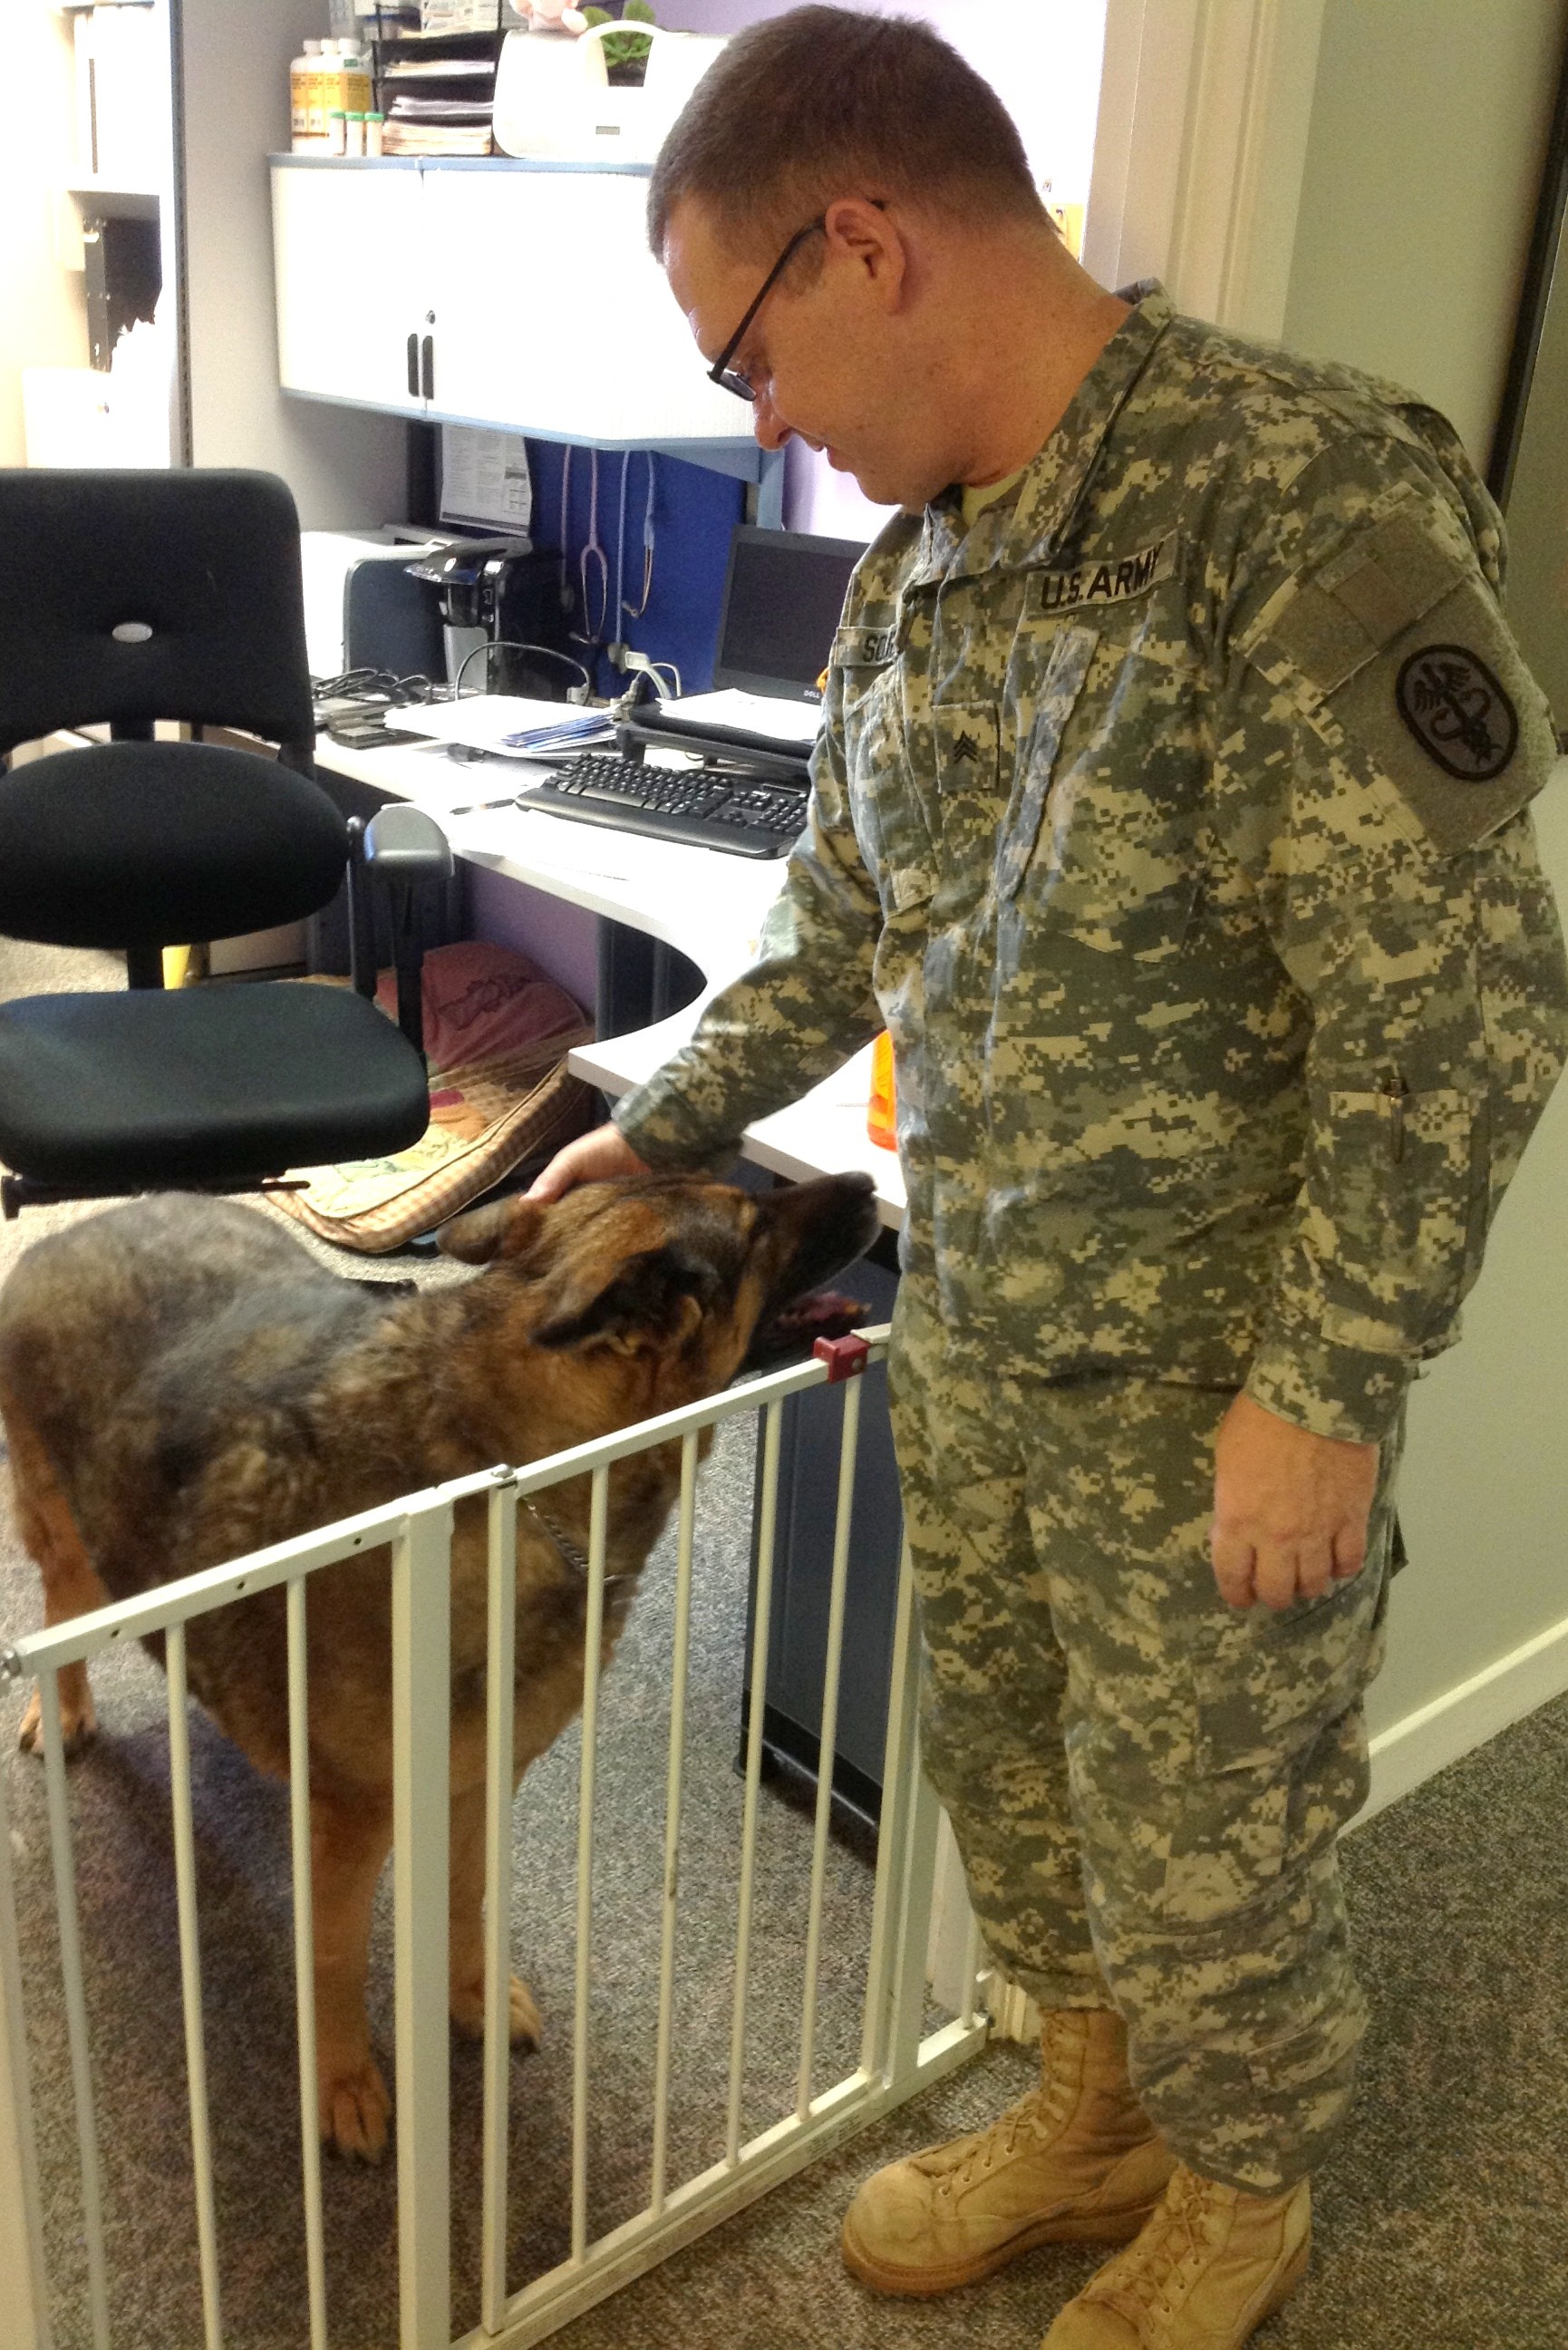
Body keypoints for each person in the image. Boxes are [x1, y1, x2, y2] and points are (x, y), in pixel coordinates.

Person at [527, 9, 1568, 2344]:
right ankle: (1087, 2105)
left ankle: (1242, 2192)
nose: (759, 421)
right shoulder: (920, 575)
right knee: (1021, 1782)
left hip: (1213, 1391)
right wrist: (657, 1124)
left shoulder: (1296, 507)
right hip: (981, 1329)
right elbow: (848, 922)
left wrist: (1326, 1381)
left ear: (865, 242)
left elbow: (1465, 1008)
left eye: (746, 358)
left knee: (1218, 1849)